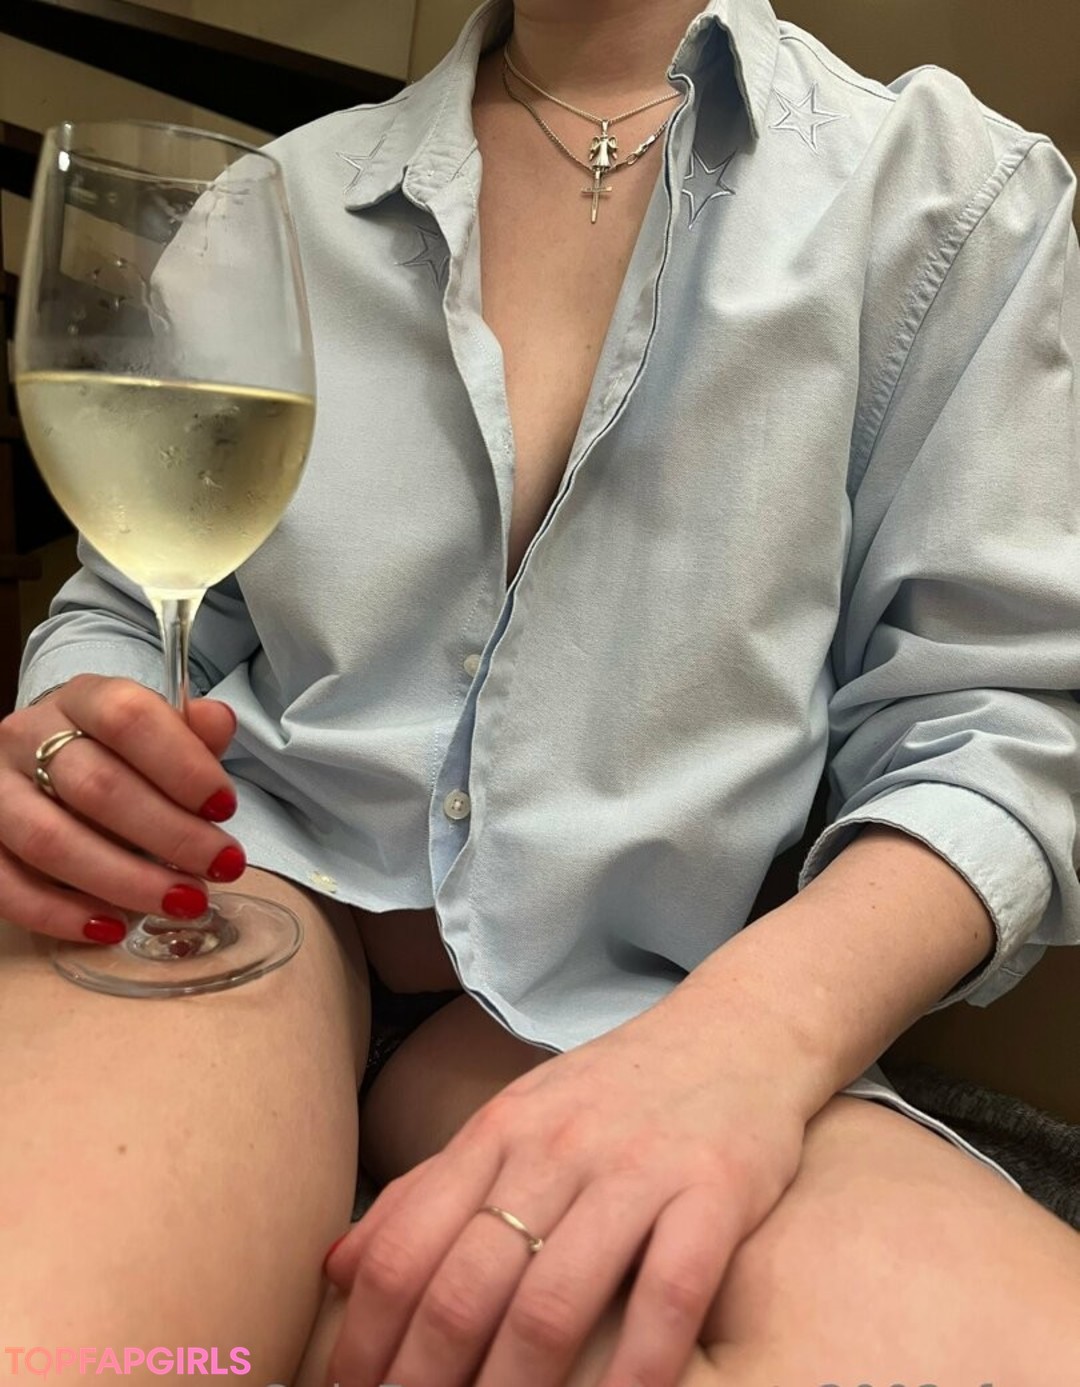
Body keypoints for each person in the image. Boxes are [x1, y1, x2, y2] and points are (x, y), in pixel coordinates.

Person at [3, 0, 1080, 1381]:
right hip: (252, 902)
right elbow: (136, 602)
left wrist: (743, 1047)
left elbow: (1002, 732)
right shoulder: (276, 202)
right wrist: (82, 738)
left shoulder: (953, 197)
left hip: (655, 1001)